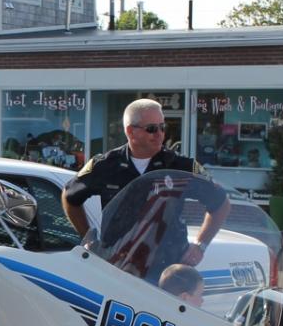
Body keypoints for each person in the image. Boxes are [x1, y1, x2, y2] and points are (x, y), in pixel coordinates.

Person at [62, 98, 230, 266]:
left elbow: (221, 203)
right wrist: (88, 237)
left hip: (167, 265)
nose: (160, 134)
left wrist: (201, 245)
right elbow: (70, 196)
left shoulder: (180, 166)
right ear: (130, 131)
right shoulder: (105, 165)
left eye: (162, 127)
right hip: (118, 264)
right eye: (151, 129)